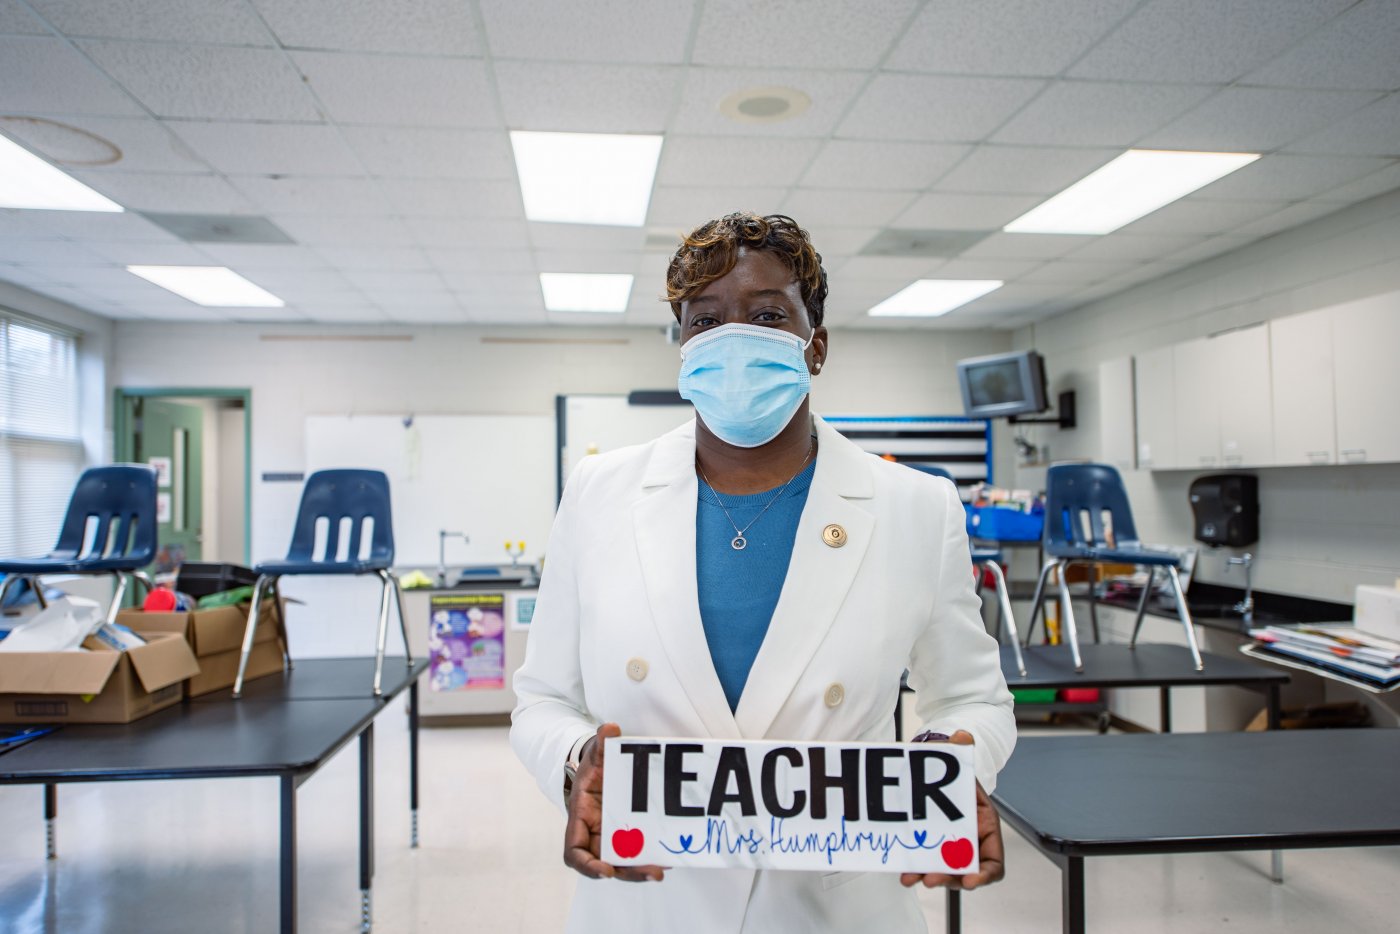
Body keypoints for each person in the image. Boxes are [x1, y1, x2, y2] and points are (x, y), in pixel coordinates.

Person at [511, 213, 1015, 933]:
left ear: (817, 346)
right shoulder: (599, 493)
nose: (732, 338)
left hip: (839, 903)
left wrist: (943, 771)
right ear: (684, 348)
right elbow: (541, 701)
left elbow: (974, 700)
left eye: (768, 314)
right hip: (647, 898)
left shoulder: (914, 507)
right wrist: (579, 760)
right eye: (704, 320)